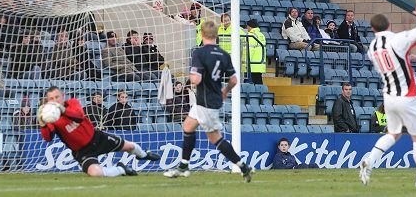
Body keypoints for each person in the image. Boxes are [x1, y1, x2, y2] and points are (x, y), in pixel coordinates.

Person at [164, 21, 254, 182]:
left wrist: (192, 78)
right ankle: (184, 166)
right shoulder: (223, 54)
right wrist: (224, 91)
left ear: (203, 34)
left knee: (216, 138)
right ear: (216, 35)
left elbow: (196, 79)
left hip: (205, 102)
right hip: (209, 100)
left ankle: (243, 167)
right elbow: (234, 79)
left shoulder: (200, 53)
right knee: (188, 126)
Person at [359, 0, 416, 188]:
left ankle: (370, 160)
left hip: (389, 96)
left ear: (373, 30)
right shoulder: (396, 39)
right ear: (389, 25)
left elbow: (391, 61)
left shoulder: (372, 48)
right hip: (406, 95)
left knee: (394, 133)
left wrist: (407, 56)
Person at [38, 86, 160, 177]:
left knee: (130, 146)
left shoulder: (72, 103)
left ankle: (144, 155)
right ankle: (121, 169)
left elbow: (79, 117)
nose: (55, 100)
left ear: (62, 96)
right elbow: (48, 138)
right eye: (51, 98)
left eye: (57, 97)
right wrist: (43, 124)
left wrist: (63, 110)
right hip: (82, 151)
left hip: (97, 137)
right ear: (48, 101)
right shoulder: (51, 118)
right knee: (95, 173)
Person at [246, 19, 266, 85]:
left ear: (250, 26)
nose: (246, 28)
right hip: (260, 63)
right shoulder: (261, 35)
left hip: (252, 64)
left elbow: (250, 50)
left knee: (253, 85)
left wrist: (246, 62)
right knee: (259, 83)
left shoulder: (251, 35)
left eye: (247, 26)